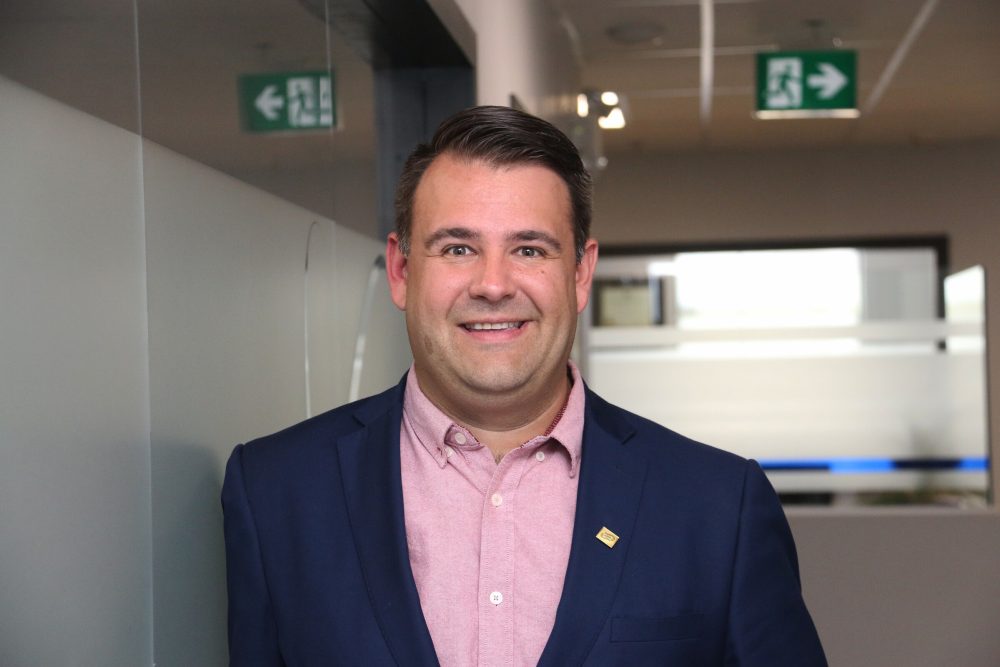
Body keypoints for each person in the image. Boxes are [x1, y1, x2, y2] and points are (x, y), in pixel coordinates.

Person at [222, 105, 827, 666]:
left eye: (530, 250)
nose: (493, 284)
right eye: (458, 247)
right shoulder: (276, 492)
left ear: (580, 272)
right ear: (402, 270)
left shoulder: (718, 507)